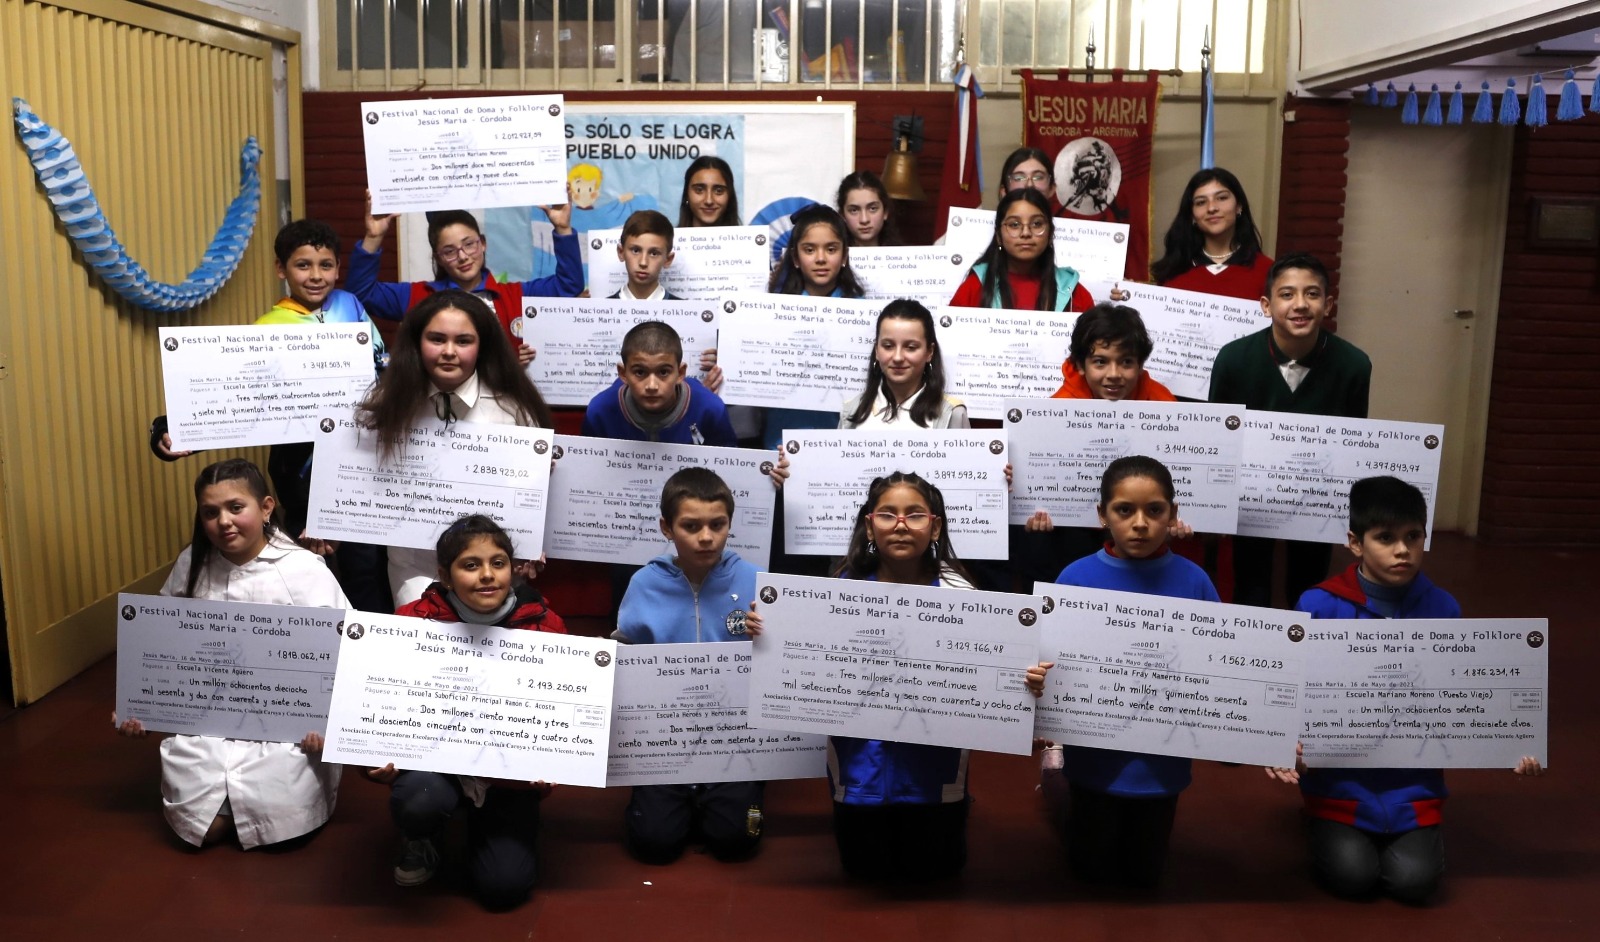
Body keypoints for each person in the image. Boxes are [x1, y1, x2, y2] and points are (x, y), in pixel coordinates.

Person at [747, 473, 1049, 880]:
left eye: (915, 515)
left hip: (936, 773)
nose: (901, 525)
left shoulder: (962, 596)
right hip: (859, 771)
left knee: (936, 873)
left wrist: (1024, 682)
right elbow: (798, 660)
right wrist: (767, 629)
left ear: (935, 527)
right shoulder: (837, 591)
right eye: (888, 515)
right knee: (864, 871)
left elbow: (996, 675)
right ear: (870, 525)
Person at [1266, 476, 1543, 903]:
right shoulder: (1318, 607)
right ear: (1354, 543)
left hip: (1413, 791)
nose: (1402, 550)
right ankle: (1319, 823)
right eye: (1386, 538)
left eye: (1413, 536)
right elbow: (1291, 691)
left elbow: (1461, 695)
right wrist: (1285, 744)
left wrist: (1510, 743)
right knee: (1352, 879)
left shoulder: (1443, 608)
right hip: (1338, 786)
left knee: (1414, 884)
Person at [148, 218, 392, 612]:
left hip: (361, 469)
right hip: (301, 477)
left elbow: (382, 368)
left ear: (337, 267)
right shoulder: (265, 330)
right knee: (309, 571)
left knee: (367, 569)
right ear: (281, 268)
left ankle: (370, 644)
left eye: (326, 265)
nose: (316, 276)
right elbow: (234, 398)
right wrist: (174, 429)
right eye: (303, 265)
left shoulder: (351, 305)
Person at [114, 459, 344, 850]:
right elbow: (158, 644)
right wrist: (140, 707)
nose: (224, 521)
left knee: (276, 821)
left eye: (236, 507)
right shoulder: (191, 564)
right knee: (202, 830)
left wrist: (329, 723)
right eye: (210, 512)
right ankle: (225, 807)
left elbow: (342, 654)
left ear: (266, 507)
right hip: (207, 720)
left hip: (285, 728)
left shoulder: (305, 570)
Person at [369, 515, 567, 908]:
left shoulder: (545, 626)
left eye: (498, 563)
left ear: (512, 568)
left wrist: (557, 762)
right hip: (434, 767)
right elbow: (375, 702)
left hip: (509, 777)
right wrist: (371, 757)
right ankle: (421, 834)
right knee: (419, 799)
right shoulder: (410, 623)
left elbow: (562, 712)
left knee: (504, 889)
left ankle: (496, 825)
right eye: (471, 565)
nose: (487, 575)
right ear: (445, 575)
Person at [1044, 455, 1218, 887]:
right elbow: (1051, 659)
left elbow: (1218, 664)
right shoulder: (1075, 579)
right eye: (1124, 510)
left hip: (1163, 765)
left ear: (1173, 514)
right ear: (1102, 515)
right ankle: (1053, 781)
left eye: (1154, 510)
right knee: (1089, 871)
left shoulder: (1195, 581)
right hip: (1093, 762)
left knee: (1143, 875)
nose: (1140, 523)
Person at [355, 289, 554, 605]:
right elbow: (357, 478)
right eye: (437, 339)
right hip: (414, 565)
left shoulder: (511, 409)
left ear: (481, 345)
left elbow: (530, 494)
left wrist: (531, 539)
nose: (449, 351)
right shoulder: (385, 405)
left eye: (463, 341)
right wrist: (328, 520)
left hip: (489, 569)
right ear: (417, 342)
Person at [611, 468, 766, 863]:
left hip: (733, 736)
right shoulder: (644, 583)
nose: (706, 537)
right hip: (664, 738)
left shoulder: (756, 581)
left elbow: (783, 665)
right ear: (667, 527)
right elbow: (626, 654)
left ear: (730, 524)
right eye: (691, 526)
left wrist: (769, 637)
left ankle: (732, 795)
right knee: (654, 844)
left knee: (738, 840)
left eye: (718, 524)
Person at [1209, 253, 1371, 607]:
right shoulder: (1234, 359)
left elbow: (1353, 445)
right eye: (1287, 294)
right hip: (1251, 498)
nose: (1300, 304)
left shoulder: (1354, 365)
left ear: (1328, 304)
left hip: (1316, 498)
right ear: (1266, 305)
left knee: (1310, 582)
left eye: (1312, 294)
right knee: (1251, 584)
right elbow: (1218, 439)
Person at [1019, 304, 1180, 582]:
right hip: (1075, 533)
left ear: (1140, 364)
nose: (1114, 373)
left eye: (1126, 362)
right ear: (1080, 365)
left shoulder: (1165, 405)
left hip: (1143, 529)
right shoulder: (1056, 411)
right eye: (1100, 362)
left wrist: (1185, 518)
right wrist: (1027, 499)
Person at [349, 194, 582, 362]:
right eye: (449, 251)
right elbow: (360, 295)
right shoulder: (420, 297)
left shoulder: (516, 295)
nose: (463, 256)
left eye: (469, 244)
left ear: (483, 244)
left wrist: (563, 228)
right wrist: (373, 237)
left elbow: (568, 285)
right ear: (438, 258)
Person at [581, 320, 735, 446]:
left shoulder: (711, 409)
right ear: (623, 374)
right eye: (640, 372)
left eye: (663, 372)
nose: (652, 386)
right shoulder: (600, 411)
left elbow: (725, 467)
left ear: (680, 373)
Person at [948, 189, 1094, 313]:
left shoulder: (1074, 294)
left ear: (1050, 234)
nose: (1025, 233)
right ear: (999, 236)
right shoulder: (975, 287)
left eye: (1037, 224)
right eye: (1014, 225)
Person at [838, 299, 967, 429]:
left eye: (911, 347)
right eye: (888, 346)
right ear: (876, 350)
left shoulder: (952, 413)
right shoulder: (851, 410)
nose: (898, 357)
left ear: (929, 352)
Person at [1150, 167, 1272, 299]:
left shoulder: (1268, 271)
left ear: (1238, 206)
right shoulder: (1171, 272)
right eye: (1201, 202)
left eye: (1222, 198)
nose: (1212, 208)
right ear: (1192, 215)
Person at [612, 210, 680, 301]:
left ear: (668, 259)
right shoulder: (600, 308)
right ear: (621, 252)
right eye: (636, 251)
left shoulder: (684, 309)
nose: (643, 262)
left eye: (654, 253)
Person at [836, 170, 900, 247]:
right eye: (854, 210)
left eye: (872, 209)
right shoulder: (832, 254)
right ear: (843, 215)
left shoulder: (903, 254)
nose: (864, 220)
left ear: (885, 212)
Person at [677, 156, 741, 228]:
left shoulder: (746, 236)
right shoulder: (670, 235)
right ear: (687, 194)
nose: (709, 201)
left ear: (730, 195)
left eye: (719, 191)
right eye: (699, 190)